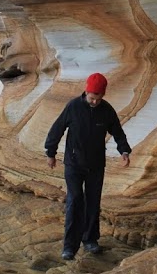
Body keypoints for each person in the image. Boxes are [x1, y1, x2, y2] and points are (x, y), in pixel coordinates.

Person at [45, 72, 131, 260]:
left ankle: (90, 240)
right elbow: (57, 129)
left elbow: (117, 131)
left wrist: (124, 151)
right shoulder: (73, 107)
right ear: (86, 91)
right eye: (92, 98)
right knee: (75, 200)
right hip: (74, 164)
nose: (94, 102)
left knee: (93, 202)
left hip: (96, 164)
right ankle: (69, 246)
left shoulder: (107, 110)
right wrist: (50, 153)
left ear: (103, 95)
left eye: (97, 98)